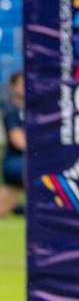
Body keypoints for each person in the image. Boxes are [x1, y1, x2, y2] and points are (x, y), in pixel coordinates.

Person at [0, 71, 25, 218]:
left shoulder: (36, 112)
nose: (24, 87)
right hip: (17, 164)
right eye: (21, 83)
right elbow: (19, 142)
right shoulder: (12, 112)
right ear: (13, 87)